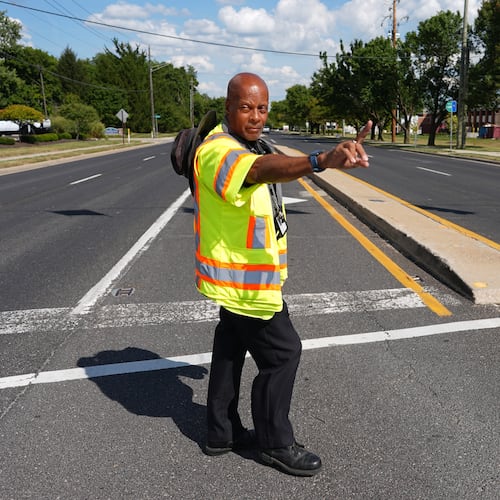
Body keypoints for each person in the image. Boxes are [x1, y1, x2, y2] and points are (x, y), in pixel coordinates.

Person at [193, 72, 371, 476]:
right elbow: (259, 170)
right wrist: (320, 160)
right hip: (244, 283)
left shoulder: (248, 141)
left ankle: (221, 433)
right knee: (283, 353)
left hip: (239, 277)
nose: (256, 116)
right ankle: (275, 442)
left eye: (262, 108)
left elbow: (264, 164)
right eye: (245, 107)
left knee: (230, 347)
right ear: (227, 108)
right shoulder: (218, 150)